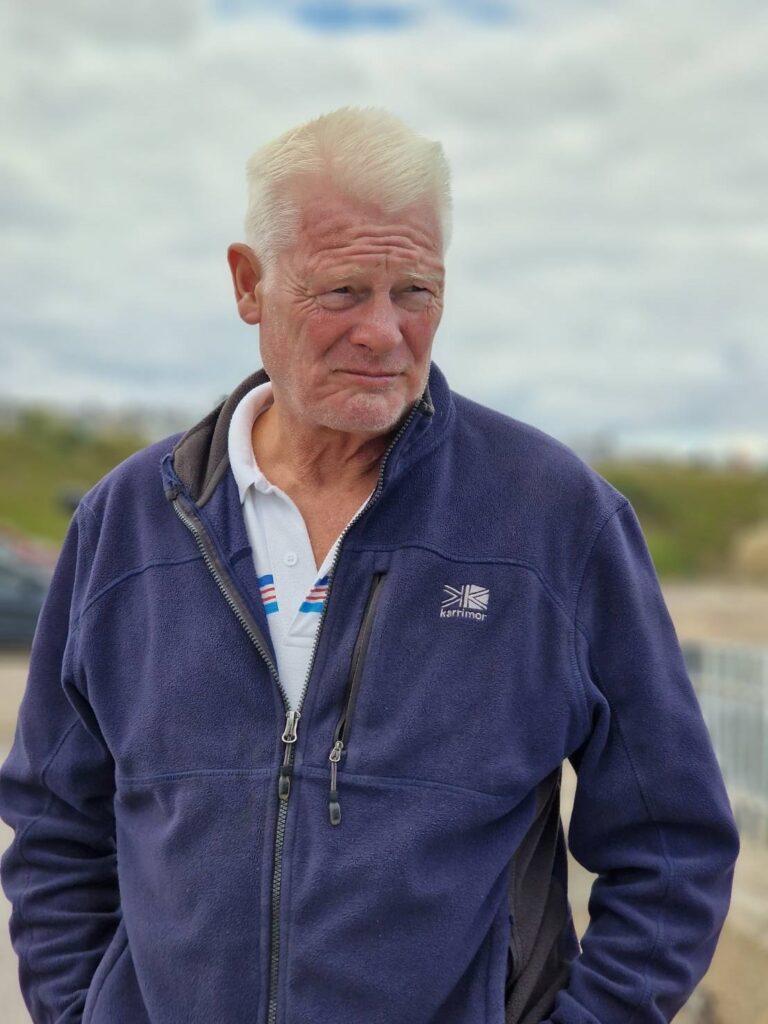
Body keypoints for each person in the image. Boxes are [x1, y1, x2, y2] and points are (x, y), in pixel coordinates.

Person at [0, 106, 739, 1024]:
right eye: (344, 291)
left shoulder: (556, 520)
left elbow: (674, 846)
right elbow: (55, 827)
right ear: (249, 284)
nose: (385, 333)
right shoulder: (128, 522)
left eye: (416, 291)